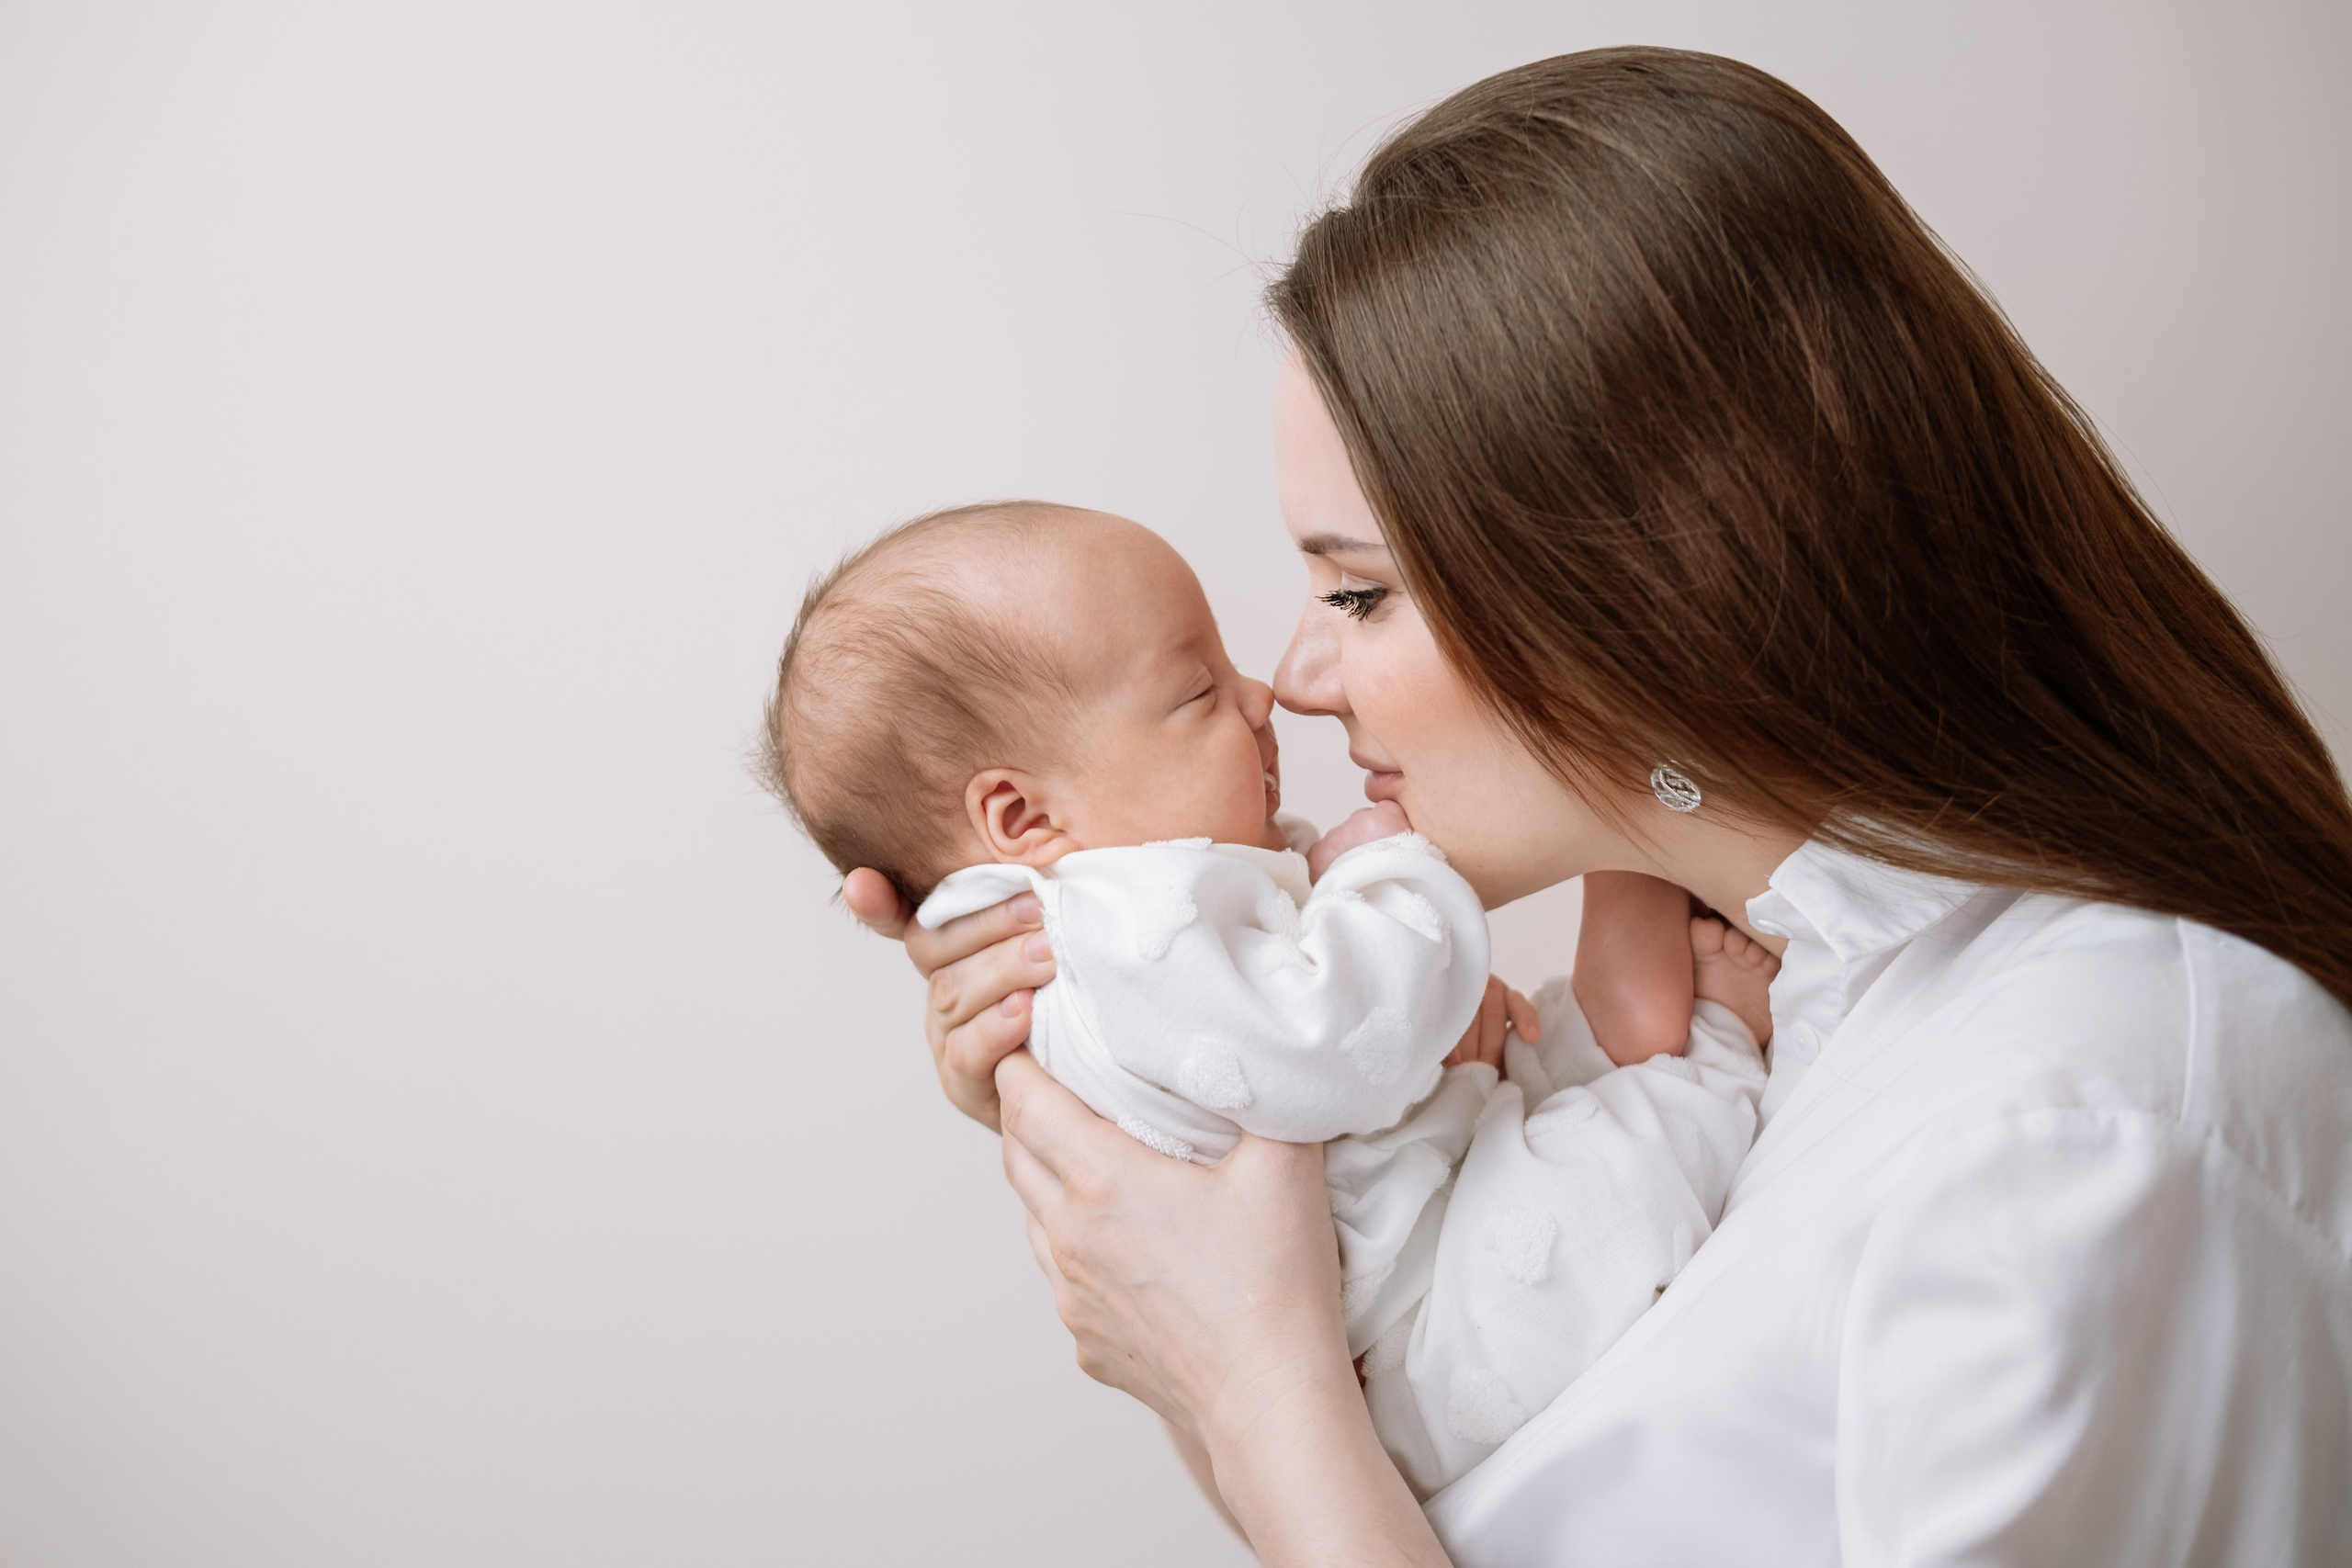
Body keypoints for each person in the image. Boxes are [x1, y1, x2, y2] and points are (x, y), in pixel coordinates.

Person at [844, 47, 2352, 1565]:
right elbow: (1414, 1482)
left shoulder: (2074, 1132)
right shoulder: (1773, 1005)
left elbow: (1325, 1467)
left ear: (1643, 588)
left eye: (1358, 592)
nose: (1293, 682)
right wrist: (1124, 1107)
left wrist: (1249, 1378)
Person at [760, 497, 1779, 1495]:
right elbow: (1332, 1037)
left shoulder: (1111, 907)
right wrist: (1399, 866)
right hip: (1433, 1329)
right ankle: (1712, 1050)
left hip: (1416, 1211)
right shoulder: (1111, 936)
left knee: (1561, 1066)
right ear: (1021, 814)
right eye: (1197, 693)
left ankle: (1639, 1013)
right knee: (1614, 1186)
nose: (1265, 695)